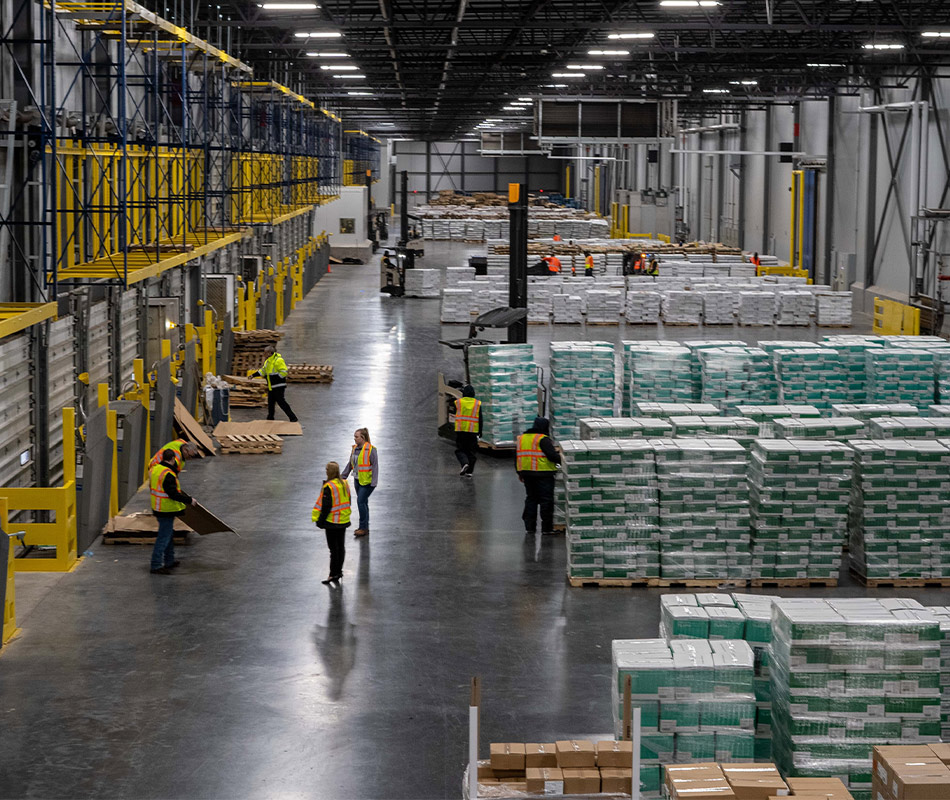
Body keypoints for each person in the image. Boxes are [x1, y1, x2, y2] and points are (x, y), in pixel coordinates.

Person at [149, 448, 196, 575]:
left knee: (168, 535)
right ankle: (156, 565)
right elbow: (173, 494)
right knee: (163, 538)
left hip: (157, 507)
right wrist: (189, 500)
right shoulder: (168, 474)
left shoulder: (155, 469)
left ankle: (169, 560)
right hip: (166, 509)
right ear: (172, 459)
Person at [516, 416, 561, 535]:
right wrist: (565, 460)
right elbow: (552, 456)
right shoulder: (543, 439)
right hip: (543, 474)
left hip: (527, 474)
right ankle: (546, 528)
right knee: (546, 500)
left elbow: (517, 457)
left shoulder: (522, 438)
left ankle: (530, 527)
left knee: (531, 499)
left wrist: (519, 472)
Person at [313, 461, 351, 584]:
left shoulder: (329, 487)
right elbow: (348, 500)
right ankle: (339, 572)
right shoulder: (345, 483)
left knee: (333, 550)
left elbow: (326, 506)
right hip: (344, 520)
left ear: (329, 472)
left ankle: (332, 574)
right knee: (341, 547)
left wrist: (320, 521)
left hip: (332, 521)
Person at [341, 427, 377, 537]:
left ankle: (362, 528)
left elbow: (375, 466)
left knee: (360, 502)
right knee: (364, 503)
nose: (354, 439)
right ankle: (365, 527)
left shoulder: (371, 450)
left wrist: (374, 482)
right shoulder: (355, 449)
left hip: (367, 482)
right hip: (357, 480)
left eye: (356, 437)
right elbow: (351, 464)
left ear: (363, 438)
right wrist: (343, 476)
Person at [250, 344, 298, 423]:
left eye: (265, 353)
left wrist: (276, 378)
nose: (264, 354)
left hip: (278, 386)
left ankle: (293, 418)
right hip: (271, 386)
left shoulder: (278, 360)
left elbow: (284, 372)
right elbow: (263, 370)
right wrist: (253, 375)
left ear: (269, 353)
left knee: (281, 402)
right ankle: (270, 418)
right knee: (271, 403)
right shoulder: (268, 361)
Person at [453, 385, 482, 477]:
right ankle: (469, 472)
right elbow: (480, 419)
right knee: (471, 452)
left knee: (460, 450)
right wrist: (480, 431)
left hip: (461, 430)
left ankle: (464, 463)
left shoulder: (458, 402)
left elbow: (454, 414)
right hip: (473, 431)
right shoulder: (477, 404)